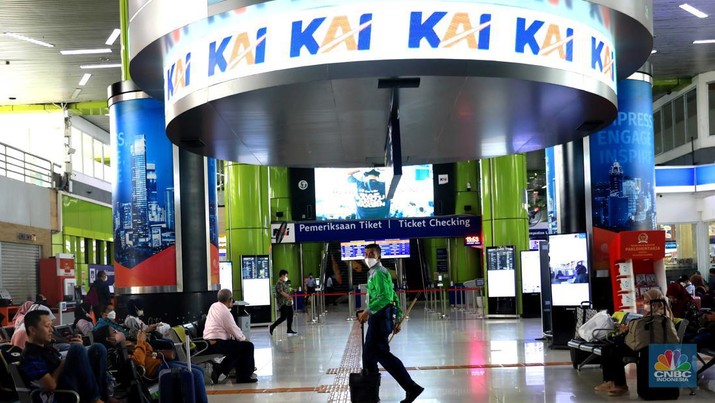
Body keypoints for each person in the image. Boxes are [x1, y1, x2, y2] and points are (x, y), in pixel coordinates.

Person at [357, 243, 423, 403]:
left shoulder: (379, 273)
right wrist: (398, 317)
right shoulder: (376, 272)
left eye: (371, 254)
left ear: (379, 256)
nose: (368, 257)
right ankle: (371, 396)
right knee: (369, 357)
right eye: (366, 254)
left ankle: (411, 387)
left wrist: (367, 311)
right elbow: (392, 295)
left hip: (379, 318)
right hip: (381, 318)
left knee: (381, 355)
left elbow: (385, 297)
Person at [18, 309, 111, 403]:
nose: (51, 330)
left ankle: (103, 397)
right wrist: (64, 362)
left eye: (51, 326)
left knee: (97, 349)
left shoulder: (47, 349)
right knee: (76, 350)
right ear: (32, 330)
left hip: (71, 386)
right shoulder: (30, 356)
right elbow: (51, 385)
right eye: (47, 326)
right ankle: (94, 400)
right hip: (61, 394)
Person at [594, 289, 674, 396]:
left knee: (617, 351)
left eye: (647, 302)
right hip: (644, 342)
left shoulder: (663, 313)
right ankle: (610, 381)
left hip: (650, 345)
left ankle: (620, 384)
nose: (645, 304)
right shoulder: (652, 313)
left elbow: (654, 332)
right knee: (607, 348)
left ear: (654, 300)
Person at [131, 329, 208, 403]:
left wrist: (143, 341)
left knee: (199, 370)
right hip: (156, 369)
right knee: (197, 374)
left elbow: (149, 351)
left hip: (161, 362)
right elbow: (138, 362)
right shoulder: (125, 349)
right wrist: (140, 341)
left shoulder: (132, 343)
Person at [202, 289, 257, 384]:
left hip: (208, 341)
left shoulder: (214, 306)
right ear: (230, 299)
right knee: (248, 346)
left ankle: (223, 369)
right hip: (216, 343)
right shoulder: (225, 312)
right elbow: (233, 328)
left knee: (238, 348)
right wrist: (244, 339)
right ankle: (243, 376)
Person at [269, 270, 297, 336]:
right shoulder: (279, 283)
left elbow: (287, 290)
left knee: (290, 315)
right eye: (286, 275)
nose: (286, 277)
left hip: (288, 302)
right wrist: (288, 296)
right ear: (282, 275)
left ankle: (289, 329)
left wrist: (292, 291)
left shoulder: (285, 282)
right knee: (283, 317)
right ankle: (272, 326)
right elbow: (281, 291)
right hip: (283, 303)